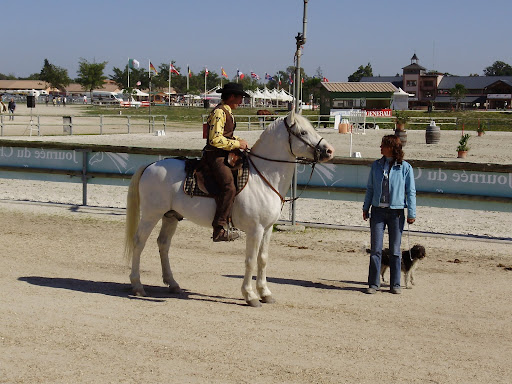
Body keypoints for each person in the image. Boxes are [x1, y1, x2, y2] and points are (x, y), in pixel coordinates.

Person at [363, 135, 416, 294]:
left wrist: (411, 212)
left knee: (394, 250)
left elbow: (410, 191)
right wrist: (366, 207)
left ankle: (395, 284)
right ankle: (373, 284)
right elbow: (370, 188)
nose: (380, 148)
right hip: (377, 211)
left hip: (396, 213)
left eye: (383, 145)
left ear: (391, 148)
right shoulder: (376, 165)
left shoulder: (405, 167)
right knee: (376, 249)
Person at [204, 82, 249, 242]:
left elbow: (226, 135)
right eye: (239, 98)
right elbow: (215, 139)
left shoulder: (226, 111)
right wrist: (237, 144)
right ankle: (219, 228)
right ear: (231, 97)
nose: (241, 101)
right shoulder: (219, 113)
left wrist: (238, 140)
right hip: (215, 155)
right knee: (229, 187)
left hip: (224, 152)